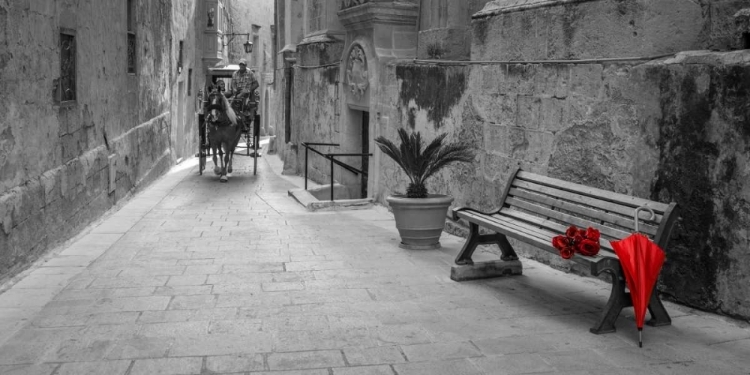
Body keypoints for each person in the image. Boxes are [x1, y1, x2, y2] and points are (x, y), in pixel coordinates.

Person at [228, 59, 258, 131]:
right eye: (240, 64)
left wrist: (247, 90)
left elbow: (256, 84)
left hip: (247, 93)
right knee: (229, 99)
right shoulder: (235, 74)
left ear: (245, 66)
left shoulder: (250, 73)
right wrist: (235, 90)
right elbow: (233, 84)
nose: (241, 66)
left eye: (243, 65)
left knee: (248, 102)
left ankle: (247, 115)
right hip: (237, 92)